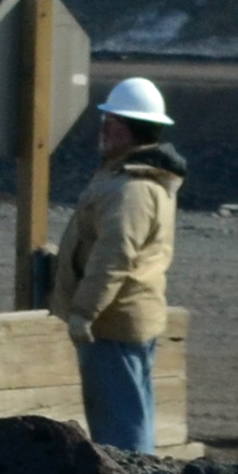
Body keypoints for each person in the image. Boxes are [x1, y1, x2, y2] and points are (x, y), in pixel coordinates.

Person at [48, 76, 187, 451]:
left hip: (114, 321)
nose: (105, 130)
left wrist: (84, 312)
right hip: (124, 317)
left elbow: (114, 256)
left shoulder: (133, 188)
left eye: (113, 124)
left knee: (120, 428)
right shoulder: (129, 178)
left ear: (133, 131)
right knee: (130, 415)